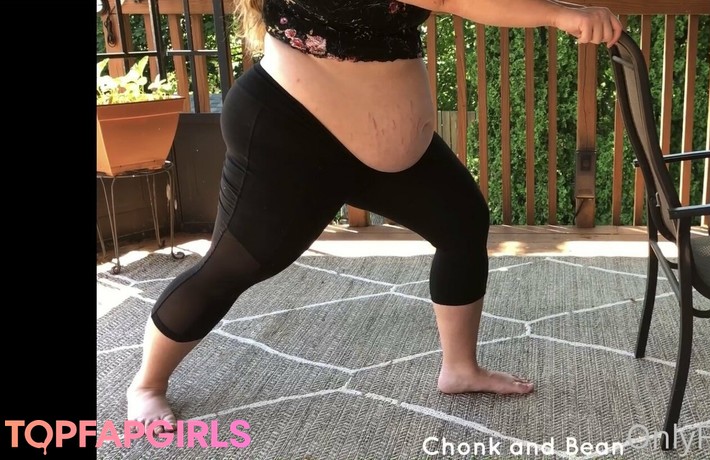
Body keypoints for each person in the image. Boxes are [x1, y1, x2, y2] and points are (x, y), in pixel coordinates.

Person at [126, 0, 624, 429]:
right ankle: (147, 385)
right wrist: (560, 14)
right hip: (291, 135)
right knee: (236, 265)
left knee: (462, 223)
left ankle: (460, 369)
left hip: (387, 153)